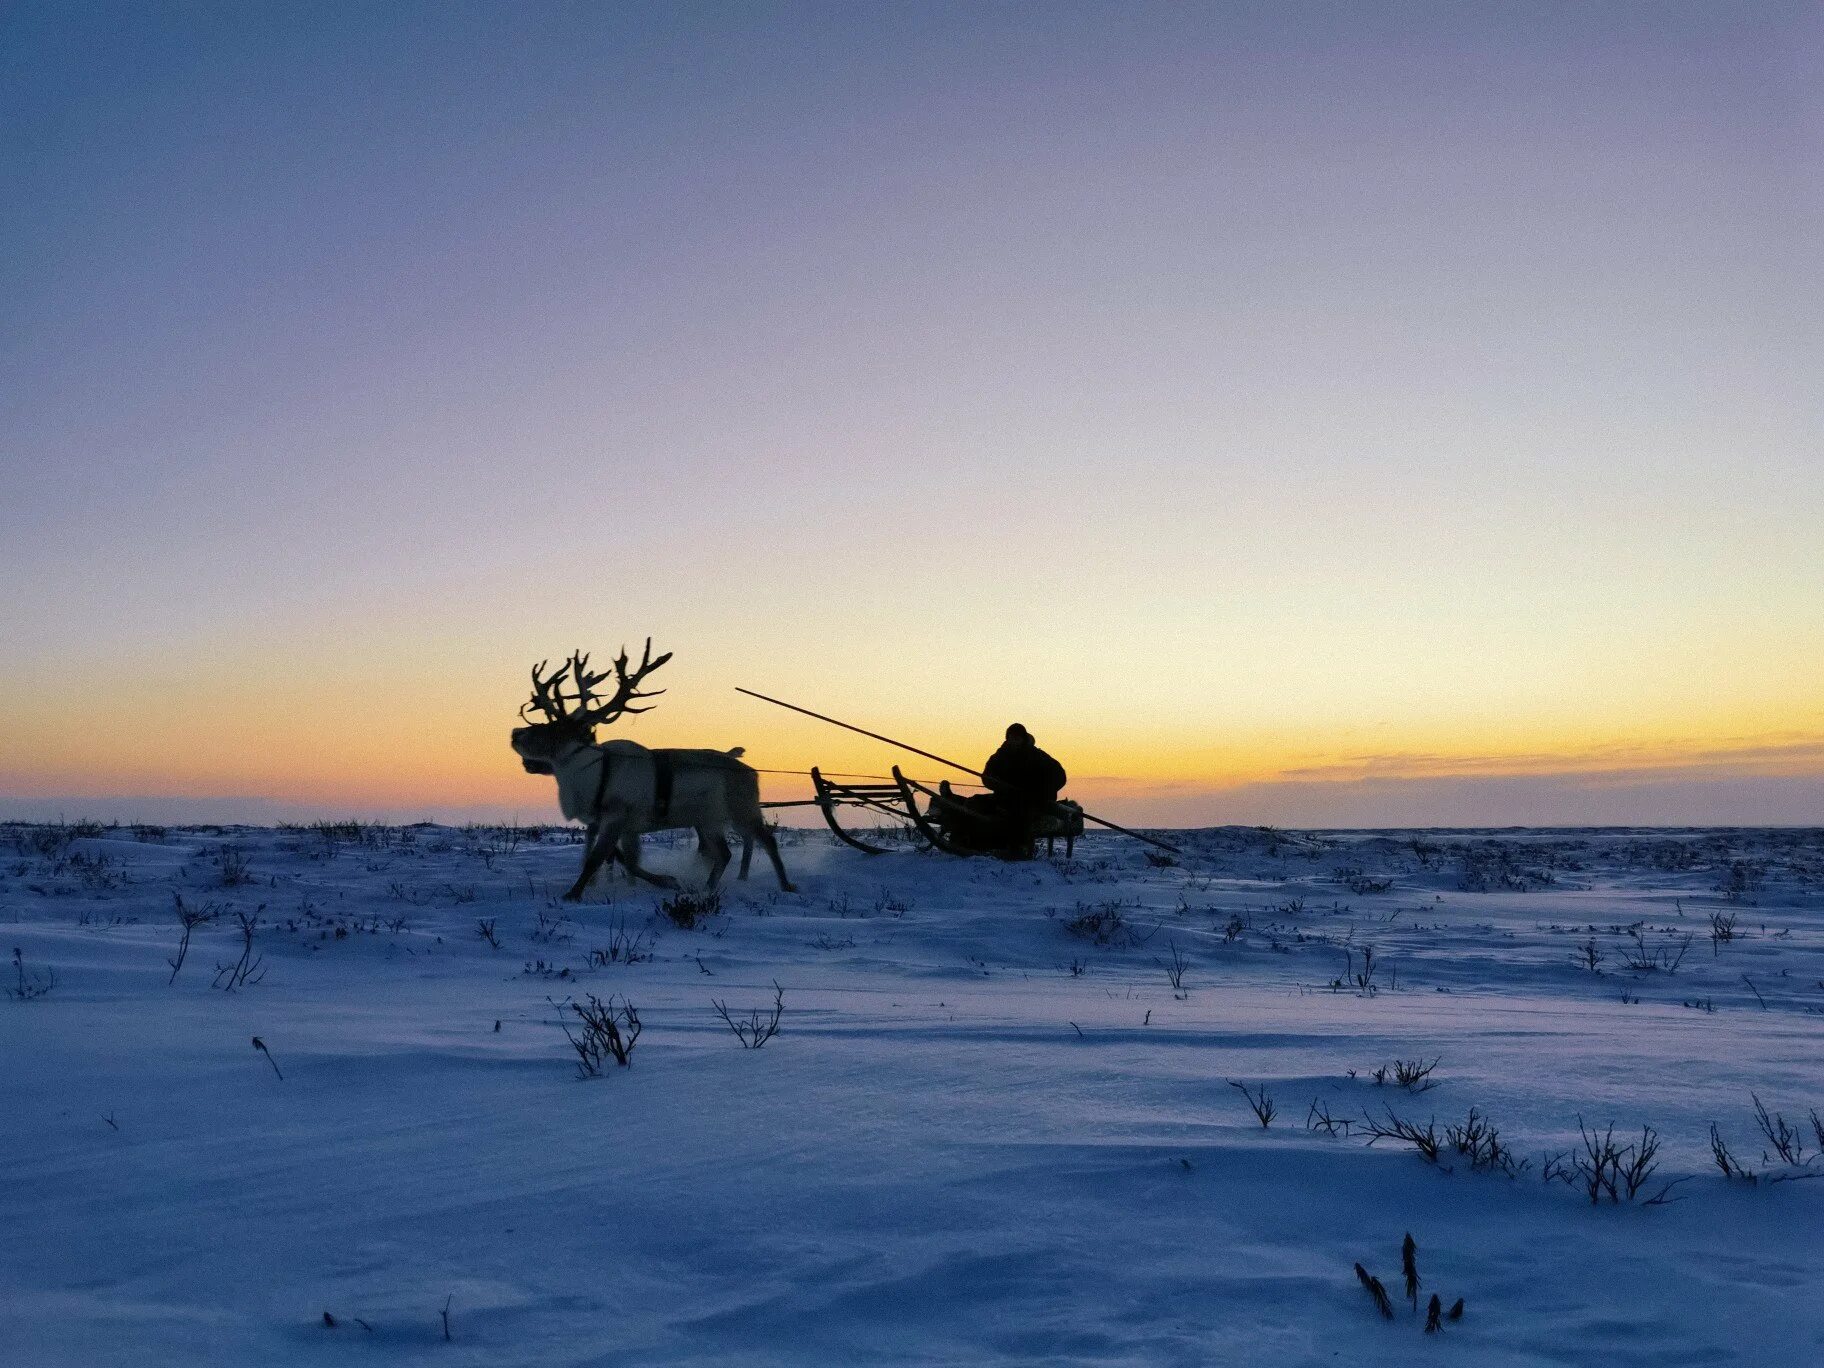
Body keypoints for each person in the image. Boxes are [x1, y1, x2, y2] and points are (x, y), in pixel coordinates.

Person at [977, 723, 1066, 854]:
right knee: (976, 803)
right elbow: (987, 776)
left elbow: (1060, 776)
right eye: (1011, 738)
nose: (1014, 741)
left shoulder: (1037, 756)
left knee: (1020, 812)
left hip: (1032, 801)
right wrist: (997, 784)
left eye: (1017, 738)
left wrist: (1041, 791)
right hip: (1004, 798)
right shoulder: (999, 756)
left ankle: (1019, 848)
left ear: (1023, 739)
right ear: (1007, 739)